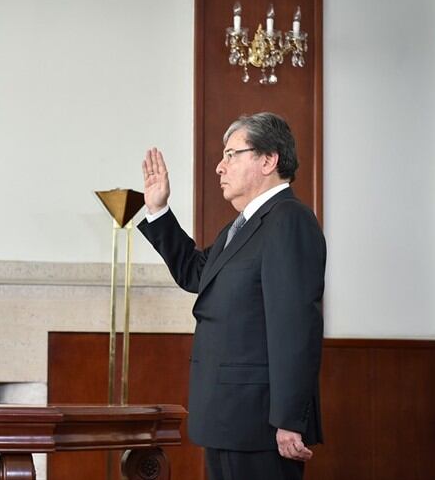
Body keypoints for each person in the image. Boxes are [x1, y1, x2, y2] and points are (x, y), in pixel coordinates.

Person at [138, 112, 326, 480]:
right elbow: (196, 273)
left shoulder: (289, 220)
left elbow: (295, 326)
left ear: (268, 160)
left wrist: (289, 419)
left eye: (231, 154)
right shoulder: (239, 227)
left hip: (261, 424)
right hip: (227, 416)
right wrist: (158, 209)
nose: (219, 167)